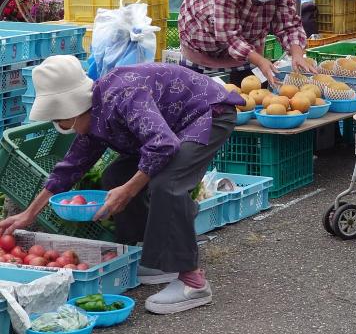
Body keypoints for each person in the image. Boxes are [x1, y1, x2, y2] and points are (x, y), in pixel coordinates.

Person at [0, 56, 243, 315]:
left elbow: (164, 146)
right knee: (115, 177)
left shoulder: (123, 96)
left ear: (71, 109)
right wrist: (29, 213)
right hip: (172, 126)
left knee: (168, 184)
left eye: (59, 121)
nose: (60, 127)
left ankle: (193, 283)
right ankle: (159, 258)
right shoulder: (94, 112)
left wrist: (129, 190)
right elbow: (70, 168)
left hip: (206, 114)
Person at [179, 0, 312, 86]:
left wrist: (297, 53)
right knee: (198, 92)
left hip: (248, 42)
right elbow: (228, 35)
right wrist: (260, 60)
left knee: (248, 89)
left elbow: (289, 23)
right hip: (203, 35)